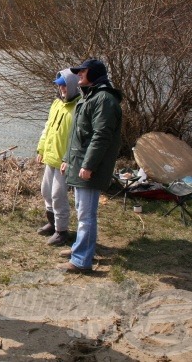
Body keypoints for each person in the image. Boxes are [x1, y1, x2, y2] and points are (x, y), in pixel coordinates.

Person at [58, 58, 122, 273]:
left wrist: (89, 165)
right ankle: (81, 247)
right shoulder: (89, 97)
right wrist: (67, 159)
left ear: (94, 74)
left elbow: (101, 136)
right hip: (80, 164)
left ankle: (82, 260)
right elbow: (77, 135)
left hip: (89, 167)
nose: (78, 76)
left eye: (82, 72)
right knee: (82, 212)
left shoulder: (103, 99)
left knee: (86, 215)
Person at [36, 68, 80, 246]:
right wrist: (41, 150)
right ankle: (52, 224)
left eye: (64, 85)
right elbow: (48, 128)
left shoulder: (79, 107)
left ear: (73, 85)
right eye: (59, 85)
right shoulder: (56, 104)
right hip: (50, 157)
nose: (62, 89)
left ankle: (62, 231)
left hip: (64, 160)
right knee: (46, 191)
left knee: (58, 195)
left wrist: (68, 159)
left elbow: (78, 136)